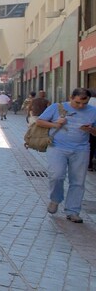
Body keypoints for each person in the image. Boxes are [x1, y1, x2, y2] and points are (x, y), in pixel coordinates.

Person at [35, 88, 96, 223]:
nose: (81, 106)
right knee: (56, 175)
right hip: (57, 147)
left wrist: (91, 129)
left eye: (84, 103)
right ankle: (55, 199)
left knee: (78, 181)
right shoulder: (56, 107)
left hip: (81, 149)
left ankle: (73, 211)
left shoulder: (93, 111)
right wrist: (55, 124)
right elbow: (39, 121)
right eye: (77, 102)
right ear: (70, 97)